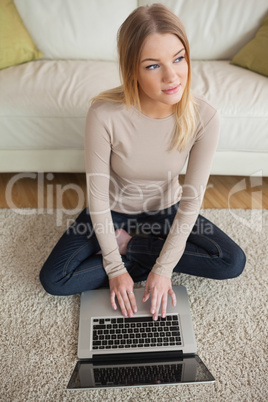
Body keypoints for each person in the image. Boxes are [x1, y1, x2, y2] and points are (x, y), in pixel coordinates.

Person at [40, 4, 246, 321]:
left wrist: (160, 268)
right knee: (54, 280)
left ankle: (134, 246)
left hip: (167, 208)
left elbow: (191, 201)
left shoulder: (205, 116)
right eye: (153, 66)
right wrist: (113, 267)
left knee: (231, 261)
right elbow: (96, 197)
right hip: (113, 209)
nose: (172, 75)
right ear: (132, 70)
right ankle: (136, 247)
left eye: (179, 58)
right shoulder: (104, 114)